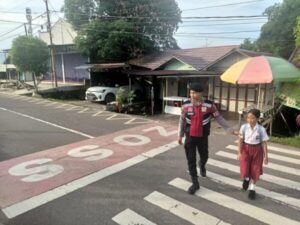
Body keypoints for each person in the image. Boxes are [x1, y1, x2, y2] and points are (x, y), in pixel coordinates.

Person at [178, 82, 236, 195]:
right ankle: (195, 183)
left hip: (203, 137)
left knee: (204, 155)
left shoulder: (210, 105)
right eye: (190, 92)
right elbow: (182, 121)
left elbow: (219, 118)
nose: (191, 94)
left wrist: (230, 129)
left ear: (201, 93)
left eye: (194, 93)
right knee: (191, 160)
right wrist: (180, 135)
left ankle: (202, 165)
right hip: (189, 137)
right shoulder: (185, 105)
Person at [237, 108, 269, 200]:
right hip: (246, 149)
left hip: (257, 150)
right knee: (244, 169)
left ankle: (252, 189)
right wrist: (239, 152)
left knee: (256, 170)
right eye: (248, 118)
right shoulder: (244, 127)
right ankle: (246, 179)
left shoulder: (261, 129)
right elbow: (240, 140)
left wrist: (266, 156)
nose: (250, 120)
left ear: (258, 118)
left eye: (252, 118)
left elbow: (264, 143)